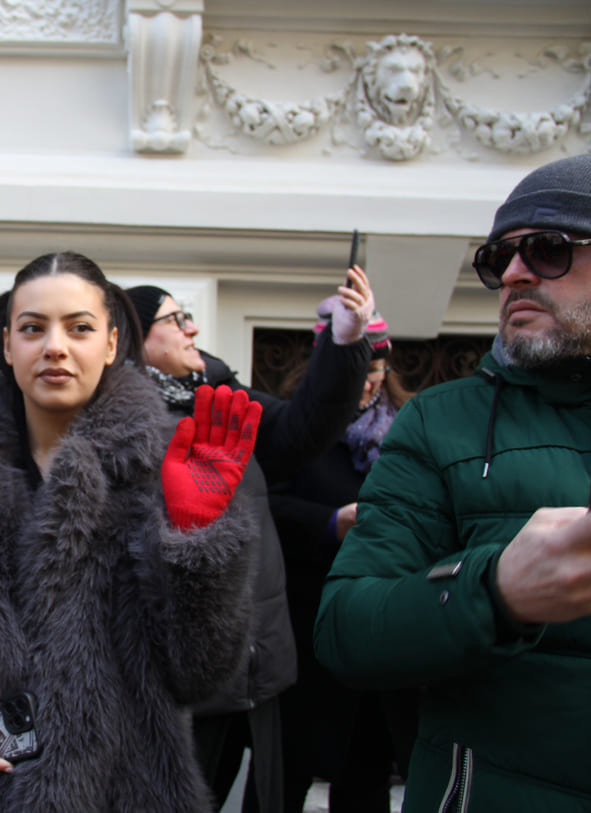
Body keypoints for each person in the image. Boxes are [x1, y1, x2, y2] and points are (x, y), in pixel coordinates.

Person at [0, 251, 261, 811]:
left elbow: (201, 673)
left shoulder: (165, 472)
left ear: (113, 344)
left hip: (128, 795)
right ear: (6, 346)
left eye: (79, 328)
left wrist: (196, 541)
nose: (55, 347)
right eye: (32, 328)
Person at [314, 153, 591, 811]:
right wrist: (494, 590)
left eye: (550, 249)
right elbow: (347, 627)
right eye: (501, 259)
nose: (516, 273)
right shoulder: (442, 422)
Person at [124, 273, 373, 813]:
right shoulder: (119, 426)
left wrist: (344, 343)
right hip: (186, 692)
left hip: (261, 669)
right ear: (133, 338)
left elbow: (305, 429)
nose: (192, 328)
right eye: (173, 319)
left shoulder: (216, 398)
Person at [268, 312, 418, 813]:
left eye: (375, 376)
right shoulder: (295, 424)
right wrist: (331, 521)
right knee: (283, 776)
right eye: (357, 375)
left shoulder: (409, 429)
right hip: (305, 625)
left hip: (375, 626)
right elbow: (265, 505)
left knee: (365, 775)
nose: (367, 386)